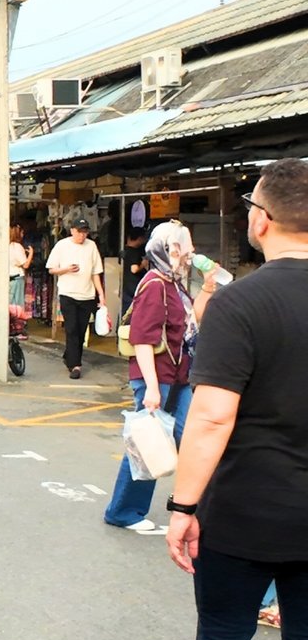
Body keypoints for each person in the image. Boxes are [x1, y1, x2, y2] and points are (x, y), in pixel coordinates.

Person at [162, 158, 308, 640]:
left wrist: (182, 506)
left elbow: (212, 417)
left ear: (262, 219)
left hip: (245, 508)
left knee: (224, 635)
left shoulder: (239, 302)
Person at [103, 221, 213, 534]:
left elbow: (193, 321)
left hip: (177, 377)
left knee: (181, 440)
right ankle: (123, 511)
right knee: (148, 443)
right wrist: (151, 387)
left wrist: (208, 286)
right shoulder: (154, 285)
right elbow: (142, 339)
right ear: (166, 250)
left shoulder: (173, 283)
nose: (189, 254)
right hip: (158, 377)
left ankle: (187, 506)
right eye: (182, 248)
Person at [44, 218, 106, 379]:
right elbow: (51, 269)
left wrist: (101, 294)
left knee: (81, 329)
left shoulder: (91, 246)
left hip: (87, 295)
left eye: (85, 232)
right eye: (79, 232)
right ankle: (76, 365)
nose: (82, 235)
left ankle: (69, 356)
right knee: (71, 329)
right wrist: (65, 269)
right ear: (72, 231)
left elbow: (96, 273)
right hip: (68, 293)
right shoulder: (62, 245)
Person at [8, 225, 35, 319]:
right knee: (17, 305)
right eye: (22, 232)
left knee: (10, 303)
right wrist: (31, 253)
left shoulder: (6, 246)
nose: (23, 235)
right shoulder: (17, 246)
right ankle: (18, 323)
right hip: (17, 277)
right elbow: (25, 265)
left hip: (9, 277)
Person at [122, 228, 149, 305]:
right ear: (140, 239)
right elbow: (134, 269)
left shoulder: (124, 250)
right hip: (134, 286)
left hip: (125, 286)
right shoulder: (134, 252)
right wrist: (143, 264)